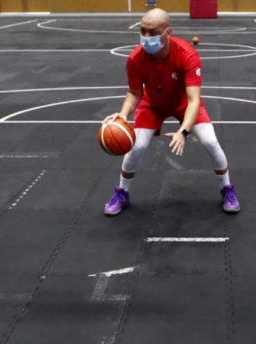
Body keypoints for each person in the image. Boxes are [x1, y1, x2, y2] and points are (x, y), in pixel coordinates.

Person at [102, 8, 239, 217]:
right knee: (136, 147)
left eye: (152, 32)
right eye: (143, 31)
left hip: (184, 104)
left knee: (211, 142)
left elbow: (194, 100)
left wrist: (183, 132)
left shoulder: (187, 54)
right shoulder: (135, 58)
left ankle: (227, 189)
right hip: (152, 104)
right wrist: (123, 114)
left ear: (168, 32)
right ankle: (122, 193)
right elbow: (134, 93)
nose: (146, 37)